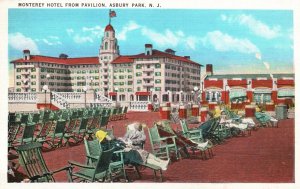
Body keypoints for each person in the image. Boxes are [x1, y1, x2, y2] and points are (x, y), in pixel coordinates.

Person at [95, 128, 170, 171]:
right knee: (141, 157)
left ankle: (162, 161)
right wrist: (123, 149)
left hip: (126, 152)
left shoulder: (111, 140)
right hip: (121, 156)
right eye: (105, 135)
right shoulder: (105, 145)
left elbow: (119, 143)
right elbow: (111, 152)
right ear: (103, 138)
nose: (107, 135)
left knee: (143, 152)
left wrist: (126, 145)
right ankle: (161, 165)